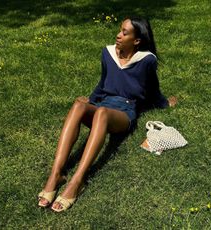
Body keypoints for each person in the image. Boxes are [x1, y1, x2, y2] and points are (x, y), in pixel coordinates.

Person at [38, 17, 177, 212]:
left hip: (124, 112)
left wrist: (164, 103)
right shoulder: (108, 53)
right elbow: (103, 83)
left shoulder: (146, 61)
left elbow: (152, 89)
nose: (118, 35)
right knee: (79, 105)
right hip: (104, 105)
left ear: (136, 41)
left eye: (125, 33)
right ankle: (56, 174)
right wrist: (89, 101)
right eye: (120, 30)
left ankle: (77, 181)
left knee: (102, 113)